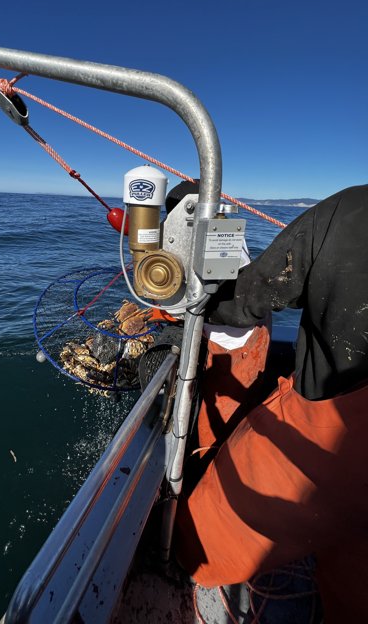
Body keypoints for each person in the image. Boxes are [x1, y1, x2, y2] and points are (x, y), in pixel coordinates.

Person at [174, 184, 368, 623]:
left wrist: (189, 304)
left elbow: (250, 299)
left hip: (334, 442)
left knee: (196, 543)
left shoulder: (351, 209)